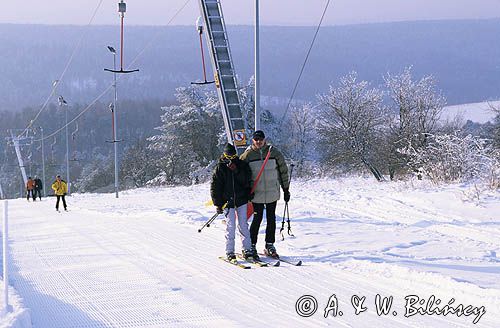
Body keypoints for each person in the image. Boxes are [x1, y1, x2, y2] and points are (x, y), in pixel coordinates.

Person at [240, 130, 290, 259]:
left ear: (264, 140)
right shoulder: (248, 155)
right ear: (253, 141)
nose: (258, 142)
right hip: (256, 194)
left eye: (260, 139)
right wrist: (245, 191)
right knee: (257, 219)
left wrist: (286, 189)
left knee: (271, 219)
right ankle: (251, 245)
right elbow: (241, 175)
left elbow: (283, 171)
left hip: (272, 193)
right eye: (256, 139)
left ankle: (269, 244)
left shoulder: (274, 153)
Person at [210, 143, 254, 261]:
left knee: (243, 225)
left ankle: (247, 249)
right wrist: (218, 204)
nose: (231, 160)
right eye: (228, 157)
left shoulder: (241, 165)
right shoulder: (220, 168)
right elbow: (215, 187)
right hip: (227, 202)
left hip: (241, 200)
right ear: (224, 156)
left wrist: (236, 171)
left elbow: (247, 180)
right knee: (231, 226)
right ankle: (230, 251)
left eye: (233, 157)